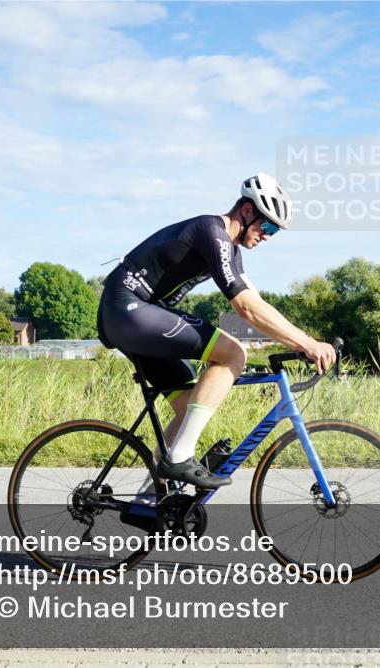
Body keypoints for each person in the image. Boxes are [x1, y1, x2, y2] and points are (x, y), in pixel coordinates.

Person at [96, 173, 337, 489]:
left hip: (136, 316)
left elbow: (256, 302)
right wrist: (306, 343)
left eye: (275, 231)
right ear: (247, 211)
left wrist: (302, 339)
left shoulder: (231, 251)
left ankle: (154, 498)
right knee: (232, 353)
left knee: (188, 406)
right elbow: (246, 308)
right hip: (127, 308)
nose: (267, 236)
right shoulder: (212, 232)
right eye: (267, 226)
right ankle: (179, 458)